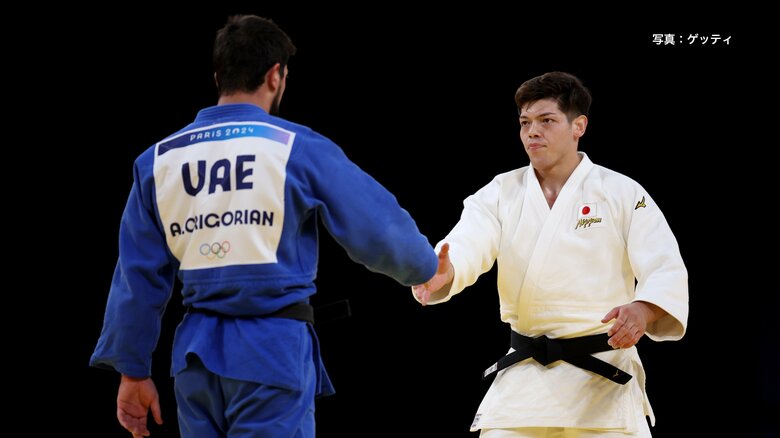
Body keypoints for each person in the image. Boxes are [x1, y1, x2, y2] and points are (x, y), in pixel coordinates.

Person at [90, 15, 437, 438]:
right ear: (276, 75)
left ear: (219, 77)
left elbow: (136, 277)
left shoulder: (157, 162)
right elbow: (378, 228)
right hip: (271, 356)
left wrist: (132, 372)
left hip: (194, 366)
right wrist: (425, 267)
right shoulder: (295, 147)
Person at [413, 71, 688, 437]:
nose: (532, 132)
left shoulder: (622, 192)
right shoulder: (500, 192)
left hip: (603, 380)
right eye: (525, 122)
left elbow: (663, 265)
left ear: (579, 126)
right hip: (525, 380)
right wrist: (441, 272)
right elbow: (466, 244)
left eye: (546, 121)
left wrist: (644, 309)